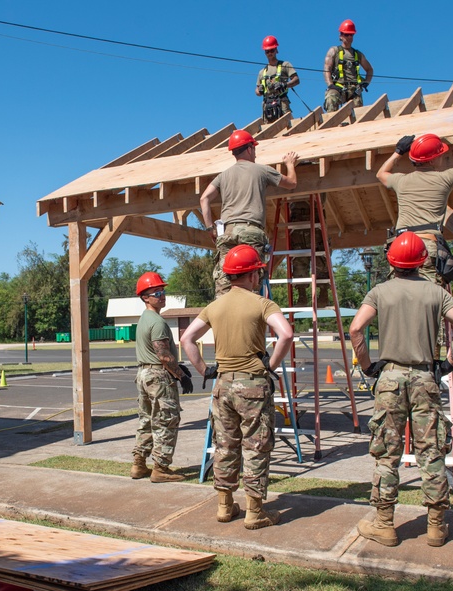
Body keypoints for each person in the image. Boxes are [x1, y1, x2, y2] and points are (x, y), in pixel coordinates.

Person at [348, 231, 453, 548]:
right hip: (425, 378)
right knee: (431, 452)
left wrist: (367, 366)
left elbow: (355, 329)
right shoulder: (436, 293)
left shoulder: (379, 292)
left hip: (390, 378)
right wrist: (448, 362)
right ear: (423, 261)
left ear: (392, 260)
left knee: (386, 456)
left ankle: (385, 524)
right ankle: (435, 526)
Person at [180, 245, 294, 530]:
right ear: (254, 274)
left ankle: (224, 506)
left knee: (224, 446)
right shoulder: (262, 303)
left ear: (230, 275)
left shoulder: (214, 306)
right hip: (253, 385)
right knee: (256, 447)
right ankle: (255, 512)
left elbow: (187, 340)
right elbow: (286, 334)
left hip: (223, 385)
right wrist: (270, 365)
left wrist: (204, 370)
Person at [376, 123, 453, 285]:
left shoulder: (401, 181)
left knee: (402, 294)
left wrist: (398, 151)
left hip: (400, 246)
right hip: (425, 246)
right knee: (431, 300)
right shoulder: (445, 178)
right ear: (433, 159)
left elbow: (381, 173)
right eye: (441, 155)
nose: (442, 157)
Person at [200, 130, 299, 297]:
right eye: (254, 148)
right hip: (250, 232)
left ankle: (223, 318)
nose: (255, 152)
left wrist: (210, 229)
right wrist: (290, 164)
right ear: (249, 149)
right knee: (251, 283)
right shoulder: (261, 170)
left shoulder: (223, 176)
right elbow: (292, 183)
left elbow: (204, 199)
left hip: (227, 232)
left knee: (224, 284)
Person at [132, 271, 192, 483]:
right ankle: (161, 468)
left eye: (163, 291)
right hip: (158, 376)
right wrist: (181, 375)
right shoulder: (156, 322)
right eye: (156, 292)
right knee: (166, 420)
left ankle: (139, 464)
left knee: (146, 420)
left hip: (144, 374)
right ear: (145, 298)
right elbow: (164, 356)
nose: (161, 295)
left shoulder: (144, 319)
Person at [323, 20, 374, 113]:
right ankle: (332, 124)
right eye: (346, 34)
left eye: (351, 35)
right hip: (338, 87)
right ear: (341, 36)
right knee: (331, 100)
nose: (349, 37)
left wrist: (366, 83)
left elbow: (369, 70)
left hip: (355, 89)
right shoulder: (334, 51)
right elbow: (327, 69)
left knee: (359, 112)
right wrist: (330, 85)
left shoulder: (358, 54)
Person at [256, 35, 300, 123]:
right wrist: (259, 90)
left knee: (288, 127)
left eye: (272, 50)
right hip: (267, 106)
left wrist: (285, 85)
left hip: (282, 103)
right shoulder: (262, 72)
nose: (270, 53)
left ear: (276, 50)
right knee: (268, 131)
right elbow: (257, 90)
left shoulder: (285, 65)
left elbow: (296, 80)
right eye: (267, 51)